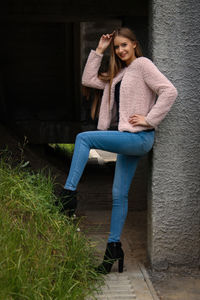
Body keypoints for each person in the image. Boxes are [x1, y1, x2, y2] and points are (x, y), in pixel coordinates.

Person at [58, 27, 178, 274]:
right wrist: (100, 50)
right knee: (118, 194)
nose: (121, 50)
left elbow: (169, 90)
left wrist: (149, 119)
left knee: (83, 139)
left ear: (134, 44)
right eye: (117, 47)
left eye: (125, 45)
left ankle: (68, 195)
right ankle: (113, 249)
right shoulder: (120, 74)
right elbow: (88, 80)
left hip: (139, 137)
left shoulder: (143, 65)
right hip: (127, 139)